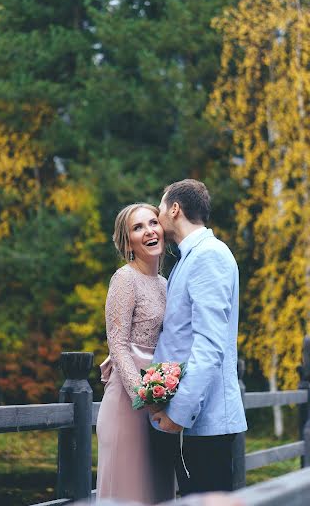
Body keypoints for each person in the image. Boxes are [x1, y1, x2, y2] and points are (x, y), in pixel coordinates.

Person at [151, 179, 247, 496]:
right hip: (196, 419)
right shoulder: (190, 257)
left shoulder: (209, 256)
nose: (157, 215)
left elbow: (209, 346)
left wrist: (178, 414)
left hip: (206, 421)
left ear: (175, 209)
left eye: (160, 208)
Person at [96, 203, 176, 504]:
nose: (148, 231)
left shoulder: (167, 285)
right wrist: (146, 399)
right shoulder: (124, 279)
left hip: (160, 403)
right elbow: (117, 345)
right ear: (128, 242)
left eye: (153, 222)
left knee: (158, 493)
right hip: (128, 405)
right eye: (137, 227)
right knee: (128, 493)